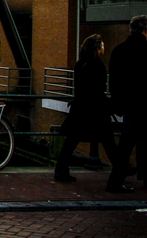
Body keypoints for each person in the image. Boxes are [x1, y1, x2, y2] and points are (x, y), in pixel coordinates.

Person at [54, 34, 125, 188]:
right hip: (95, 110)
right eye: (102, 45)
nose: (104, 48)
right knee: (108, 141)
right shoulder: (97, 65)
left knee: (71, 140)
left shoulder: (80, 64)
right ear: (98, 48)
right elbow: (97, 90)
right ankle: (121, 171)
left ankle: (61, 169)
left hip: (80, 108)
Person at [108, 14, 147, 191]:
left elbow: (114, 81)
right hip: (144, 103)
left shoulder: (119, 50)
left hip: (129, 104)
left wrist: (118, 103)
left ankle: (115, 180)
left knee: (125, 145)